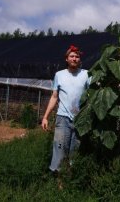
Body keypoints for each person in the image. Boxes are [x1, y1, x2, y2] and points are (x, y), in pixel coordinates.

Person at [41, 45, 90, 174]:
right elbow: (54, 97)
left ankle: (72, 175)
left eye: (77, 56)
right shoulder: (59, 75)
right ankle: (59, 179)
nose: (74, 58)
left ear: (80, 59)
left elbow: (93, 94)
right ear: (67, 59)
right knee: (60, 147)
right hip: (63, 117)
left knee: (76, 148)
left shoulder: (86, 74)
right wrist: (45, 117)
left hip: (81, 118)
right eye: (72, 56)